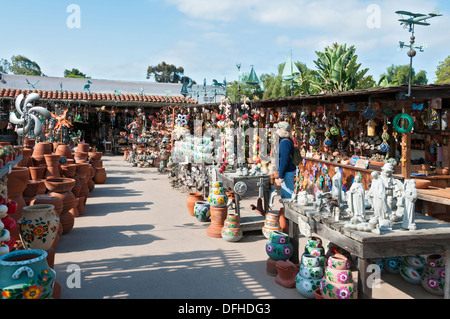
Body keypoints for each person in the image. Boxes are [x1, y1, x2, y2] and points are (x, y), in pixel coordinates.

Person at [275, 121, 296, 200]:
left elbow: (284, 160)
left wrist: (281, 176)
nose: (276, 130)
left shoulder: (285, 143)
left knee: (288, 195)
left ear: (282, 130)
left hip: (287, 171)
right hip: (288, 170)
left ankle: (289, 211)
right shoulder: (287, 140)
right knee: (286, 193)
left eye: (278, 128)